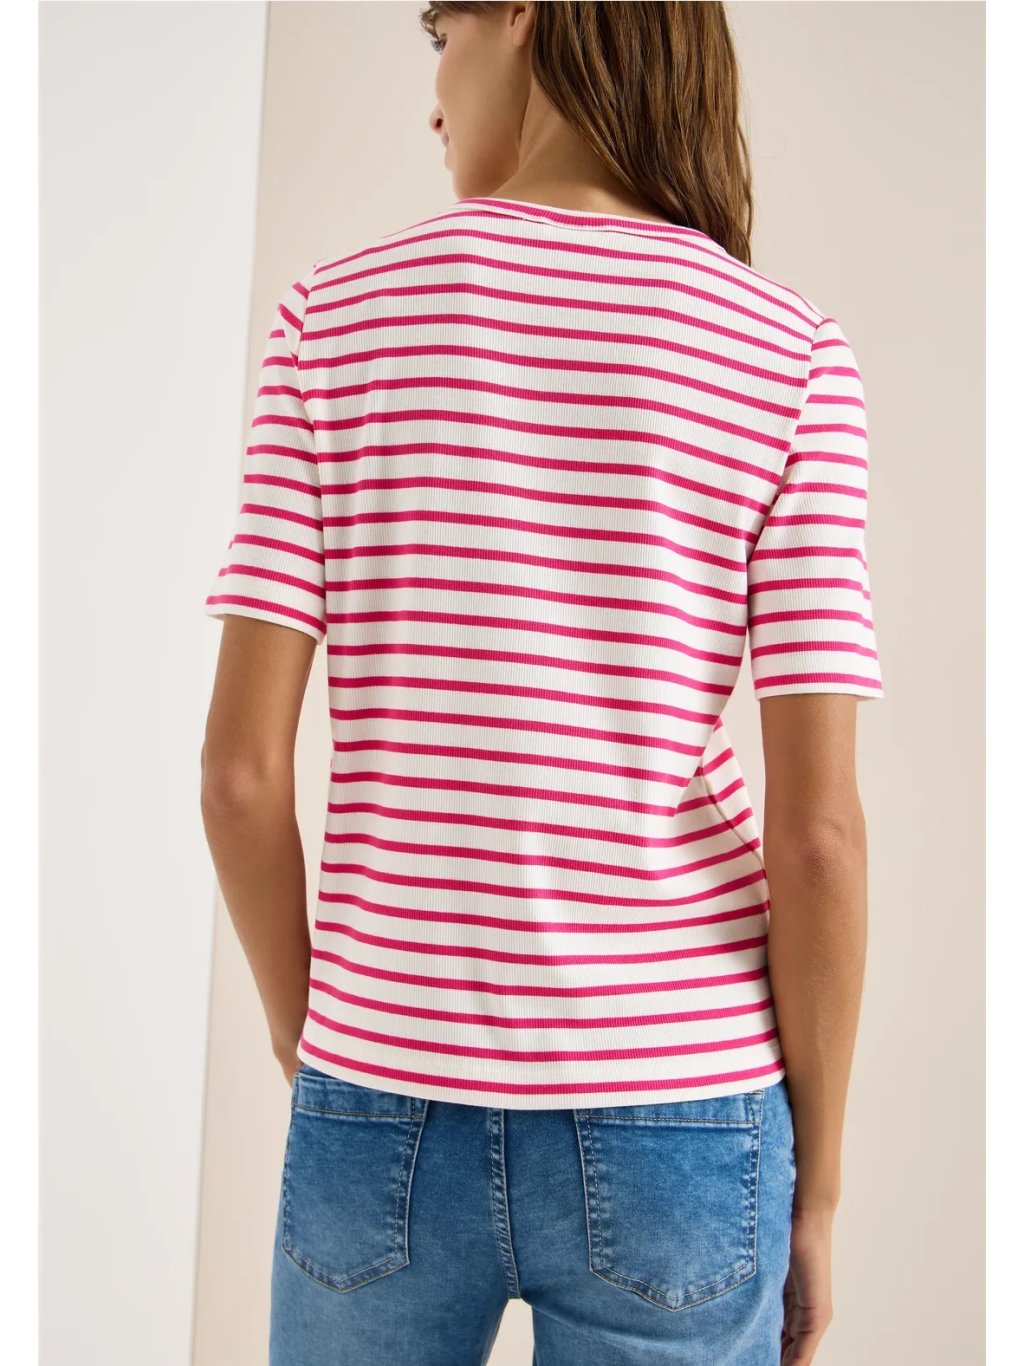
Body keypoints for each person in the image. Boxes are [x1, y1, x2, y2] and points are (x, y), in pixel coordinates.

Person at [200, 4, 884, 1363]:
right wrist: (817, 1187)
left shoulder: (332, 322)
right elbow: (818, 835)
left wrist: (311, 1037)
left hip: (377, 1093)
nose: (434, 97)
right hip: (684, 1109)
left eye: (439, 37)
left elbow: (238, 775)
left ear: (522, 15)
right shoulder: (789, 354)